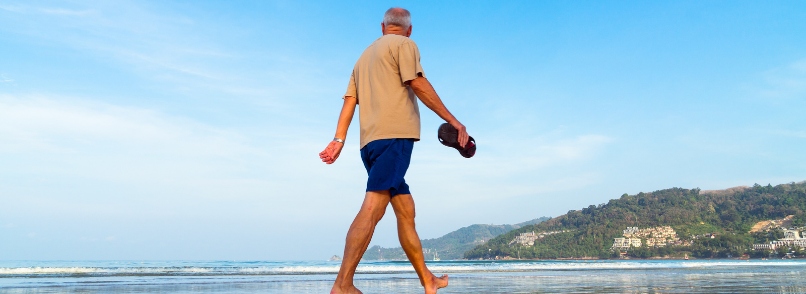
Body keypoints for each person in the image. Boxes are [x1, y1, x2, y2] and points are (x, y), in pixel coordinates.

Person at [319, 7, 469, 294]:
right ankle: (343, 285)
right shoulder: (405, 45)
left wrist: (338, 140)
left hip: (370, 143)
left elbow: (350, 101)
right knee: (373, 208)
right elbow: (417, 82)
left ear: (383, 26)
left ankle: (428, 280)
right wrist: (453, 121)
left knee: (405, 210)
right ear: (409, 29)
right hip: (395, 139)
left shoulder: (363, 58)